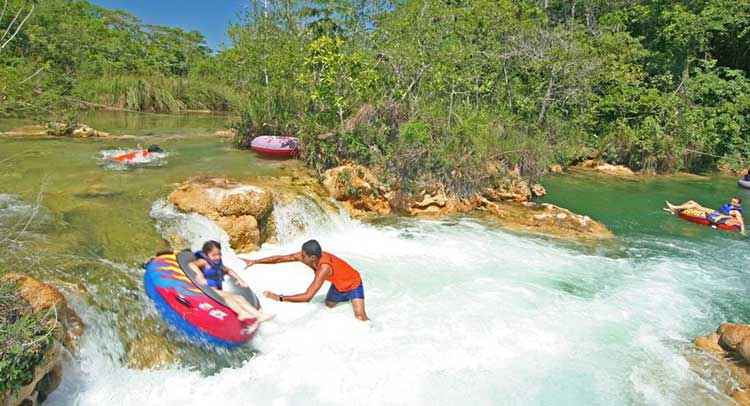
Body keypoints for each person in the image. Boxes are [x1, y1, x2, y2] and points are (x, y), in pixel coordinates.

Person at [244, 240, 369, 321]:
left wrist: (279, 297)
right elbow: (280, 259)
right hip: (337, 286)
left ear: (313, 257)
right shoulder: (307, 256)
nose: (300, 256)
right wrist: (255, 261)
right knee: (328, 308)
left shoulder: (324, 268)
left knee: (360, 317)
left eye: (303, 255)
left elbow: (307, 297)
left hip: (353, 284)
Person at [189, 240, 274, 322]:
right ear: (207, 255)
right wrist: (199, 275)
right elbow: (192, 264)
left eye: (219, 254)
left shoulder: (217, 263)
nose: (217, 257)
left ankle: (258, 315)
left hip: (216, 289)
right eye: (214, 255)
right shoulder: (204, 262)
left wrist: (239, 279)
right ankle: (242, 313)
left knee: (239, 298)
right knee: (228, 296)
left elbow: (228, 270)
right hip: (208, 289)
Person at [664, 197, 745, 234]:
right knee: (691, 201)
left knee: (693, 205)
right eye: (731, 201)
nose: (732, 203)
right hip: (715, 213)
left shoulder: (736, 212)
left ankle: (674, 207)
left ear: (739, 204)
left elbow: (740, 222)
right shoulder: (730, 206)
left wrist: (742, 232)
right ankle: (674, 210)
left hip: (715, 216)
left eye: (734, 202)